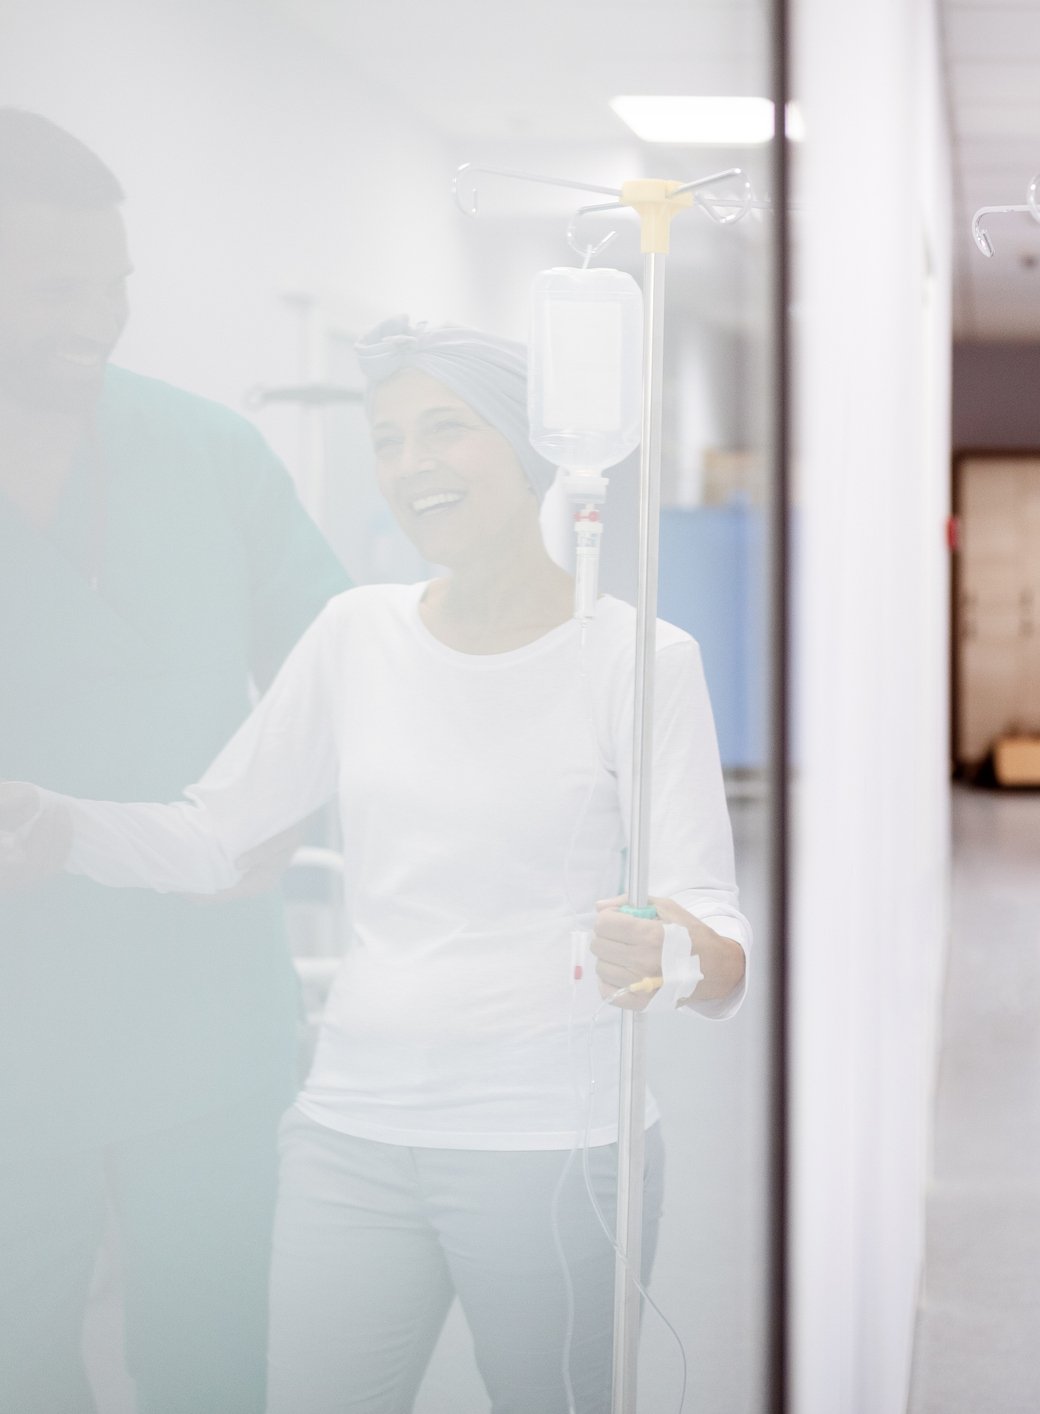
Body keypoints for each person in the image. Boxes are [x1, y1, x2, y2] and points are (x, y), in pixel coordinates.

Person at [1, 318, 750, 1414]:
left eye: (445, 430)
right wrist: (55, 822)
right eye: (388, 440)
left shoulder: (639, 658)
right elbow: (217, 835)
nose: (411, 467)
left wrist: (667, 953)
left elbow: (718, 937)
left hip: (551, 1146)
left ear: (531, 446)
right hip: (350, 1139)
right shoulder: (357, 635)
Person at [0, 109, 349, 1413]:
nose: (98, 316)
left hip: (197, 1001)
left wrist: (281, 811)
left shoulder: (208, 454)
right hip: (9, 1017)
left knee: (213, 1360)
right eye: (57, 288)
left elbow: (338, 668)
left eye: (114, 287)